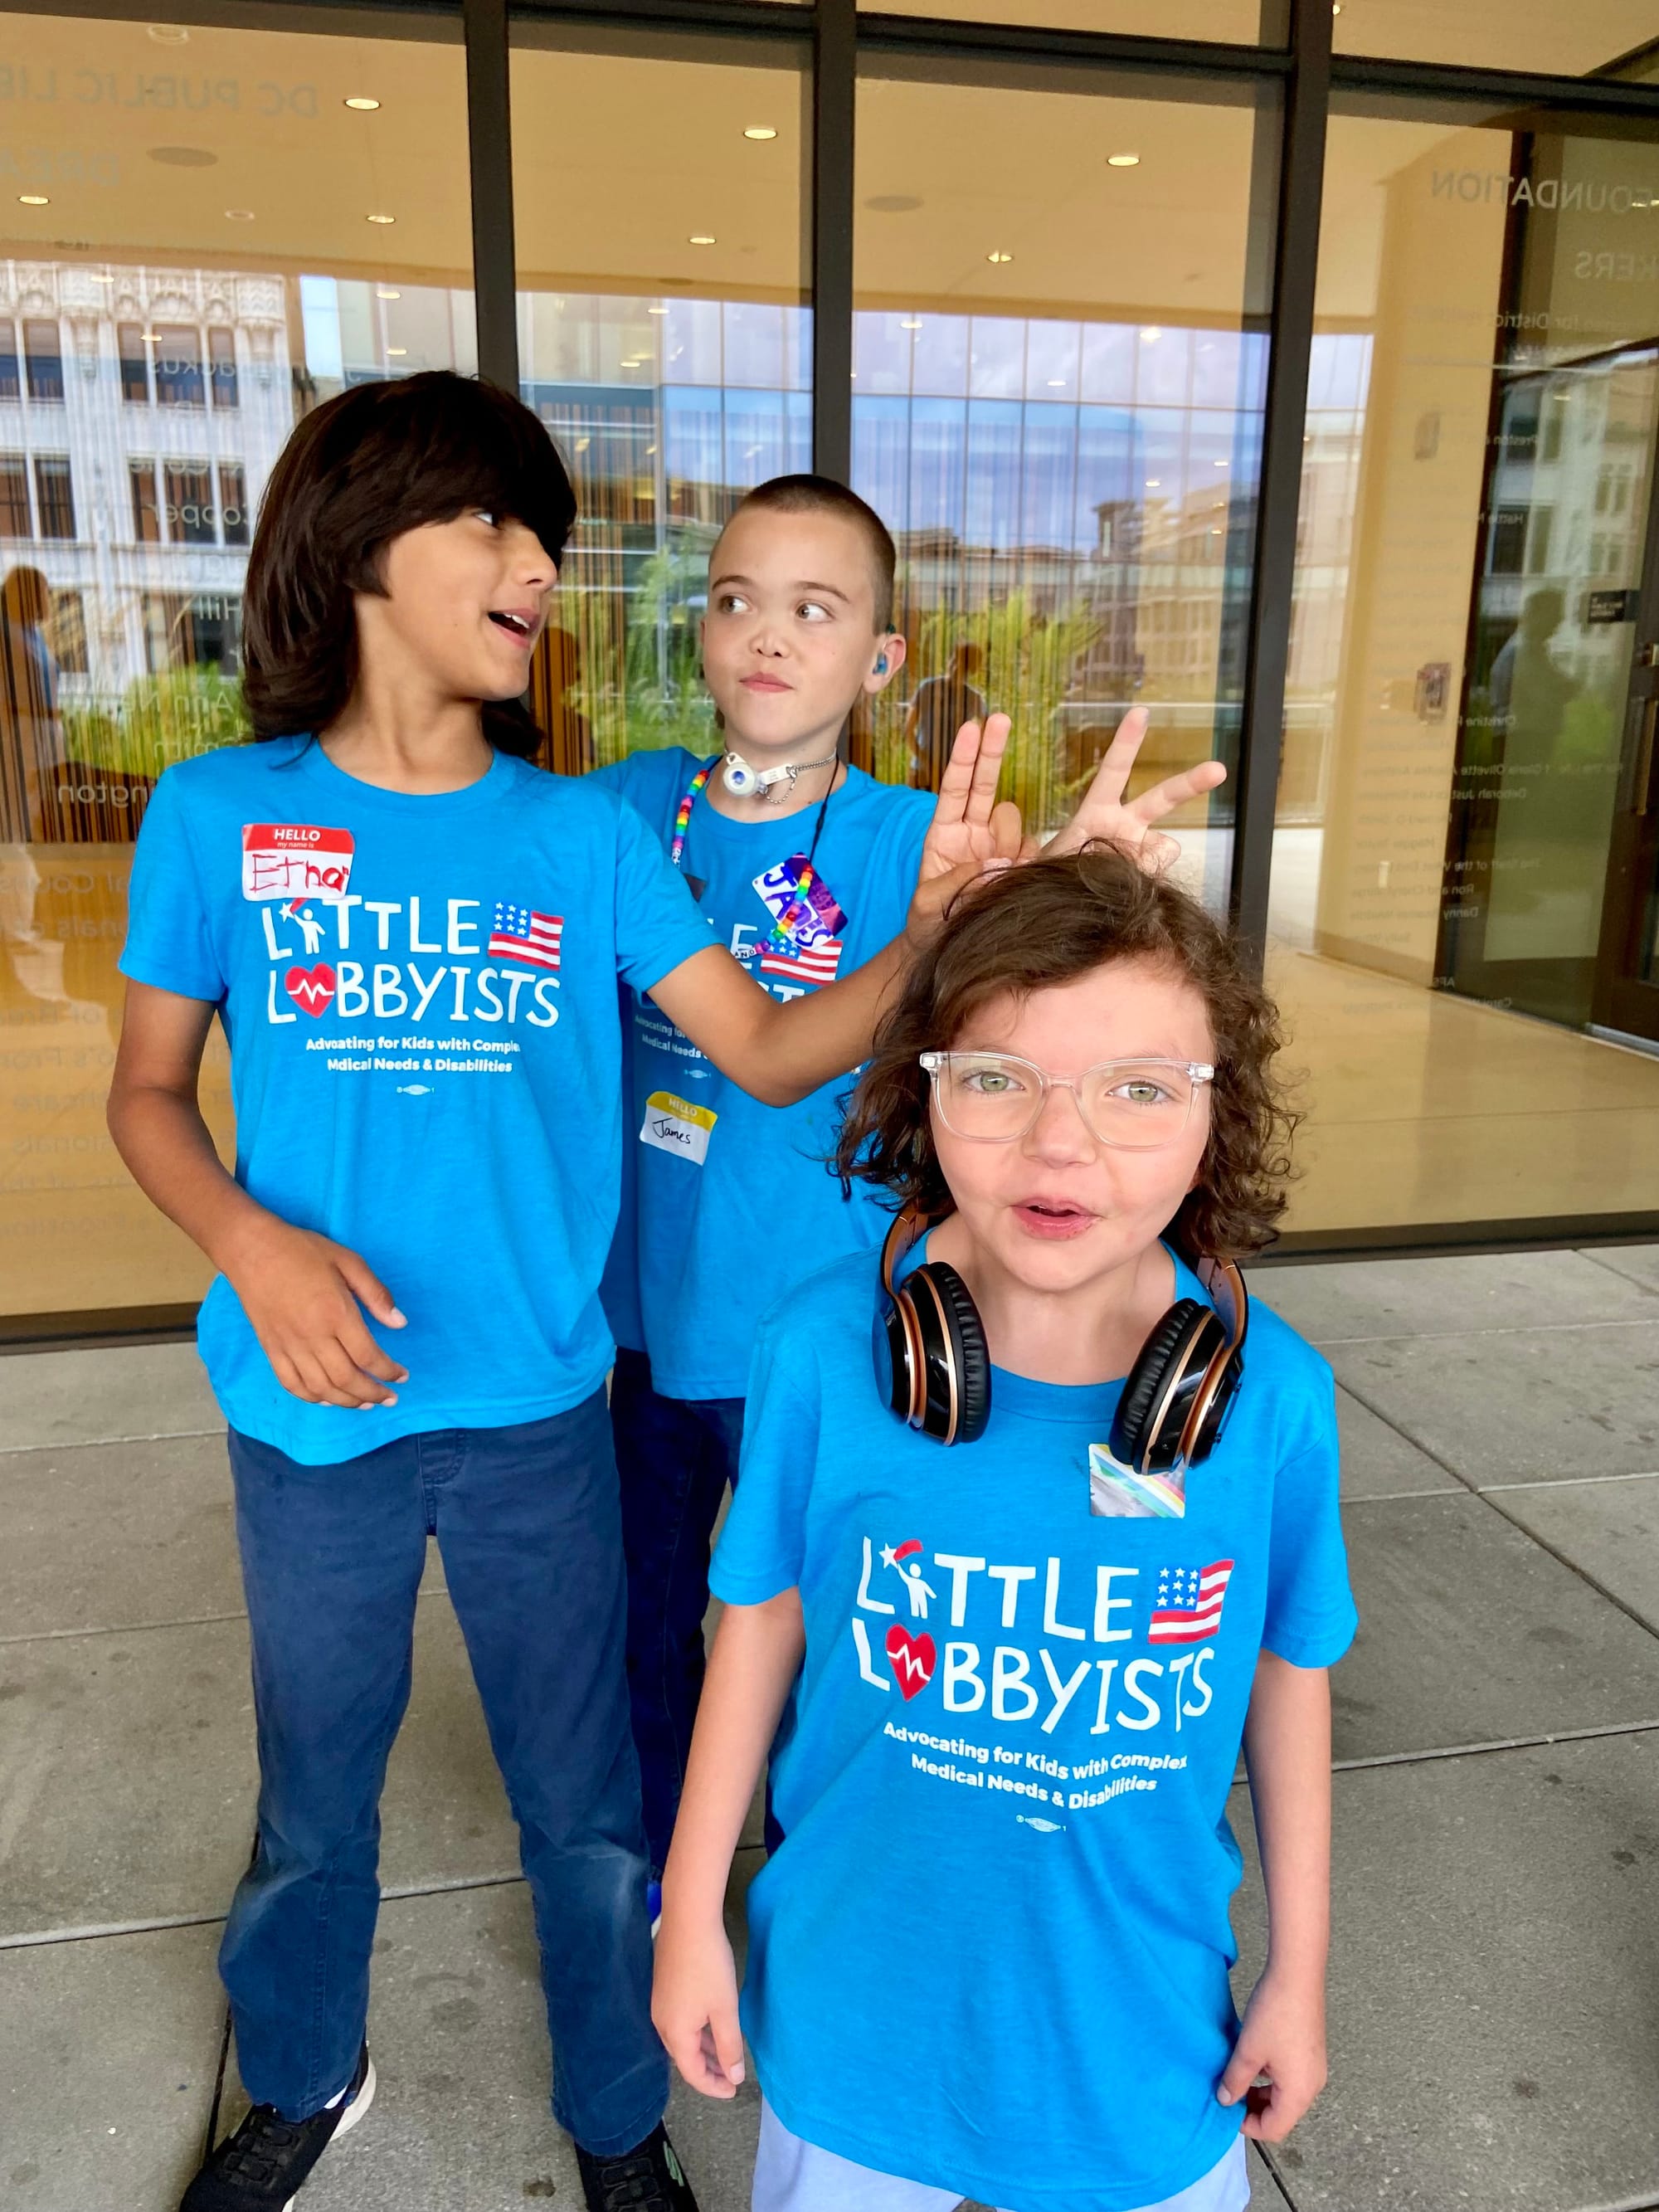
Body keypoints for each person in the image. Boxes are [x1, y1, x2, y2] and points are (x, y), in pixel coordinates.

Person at [105, 373, 1026, 2212]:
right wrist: (248, 1237)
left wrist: (929, 939)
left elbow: (766, 1053)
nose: (540, 567)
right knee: (311, 1808)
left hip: (536, 1417)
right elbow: (142, 1095)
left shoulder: (583, 838)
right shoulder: (219, 816)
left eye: (546, 534)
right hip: (313, 1417)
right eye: (496, 527)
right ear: (365, 546)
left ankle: (616, 2123)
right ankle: (299, 2071)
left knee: (592, 1821)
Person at [653, 845, 1356, 2212]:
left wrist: (1300, 1970)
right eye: (996, 1078)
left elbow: (1288, 1668)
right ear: (924, 1095)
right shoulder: (817, 1351)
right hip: (858, 2018)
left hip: (1139, 2045)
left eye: (1140, 1091)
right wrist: (691, 1917)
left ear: (1221, 1118)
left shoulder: (1272, 1402)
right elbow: (758, 1622)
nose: (1059, 1145)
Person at [592, 475, 1224, 1896]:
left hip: (825, 1328)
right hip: (640, 1330)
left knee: (820, 1634)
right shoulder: (630, 809)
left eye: (816, 610)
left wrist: (1070, 880)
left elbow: (1009, 957)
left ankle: (814, 1886)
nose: (769, 635)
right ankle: (653, 1885)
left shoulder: (904, 838)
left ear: (879, 659)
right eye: (738, 598)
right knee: (640, 1629)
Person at [904, 638, 986, 792]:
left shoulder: (973, 698)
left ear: (972, 669)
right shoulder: (927, 688)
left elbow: (987, 730)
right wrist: (927, 763)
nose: (956, 666)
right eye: (954, 659)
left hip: (953, 774)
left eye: (963, 663)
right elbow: (908, 730)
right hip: (922, 773)